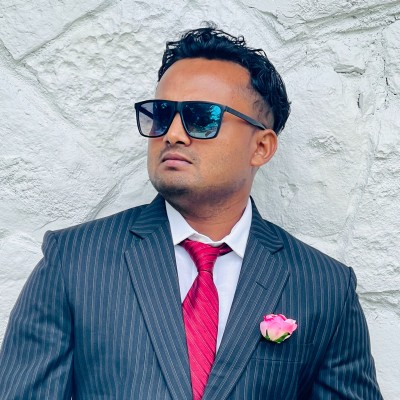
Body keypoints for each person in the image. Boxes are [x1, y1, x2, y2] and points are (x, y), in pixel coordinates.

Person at [0, 25, 382, 399]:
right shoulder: (75, 261)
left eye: (201, 118)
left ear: (261, 147)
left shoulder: (325, 287)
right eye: (161, 114)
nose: (173, 134)